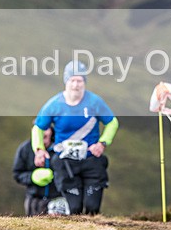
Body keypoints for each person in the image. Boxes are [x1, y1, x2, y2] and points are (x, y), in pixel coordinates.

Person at [32, 61, 119, 215]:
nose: (76, 85)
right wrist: (39, 149)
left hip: (91, 160)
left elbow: (112, 122)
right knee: (74, 209)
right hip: (66, 163)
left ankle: (94, 229)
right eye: (72, 80)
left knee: (92, 207)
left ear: (84, 82)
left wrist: (102, 143)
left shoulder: (94, 102)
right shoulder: (54, 105)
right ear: (66, 81)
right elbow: (38, 128)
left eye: (79, 80)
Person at [12, 125, 65, 216]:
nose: (42, 132)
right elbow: (17, 174)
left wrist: (56, 176)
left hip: (58, 199)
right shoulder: (25, 149)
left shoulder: (60, 148)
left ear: (51, 131)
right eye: (39, 129)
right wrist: (32, 177)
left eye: (46, 128)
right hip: (34, 200)